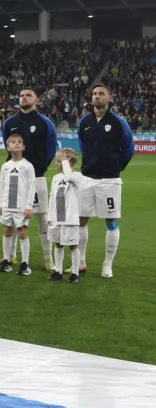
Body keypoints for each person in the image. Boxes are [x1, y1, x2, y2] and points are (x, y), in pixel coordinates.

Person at [77, 84, 134, 279]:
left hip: (109, 180)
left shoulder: (119, 123)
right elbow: (83, 146)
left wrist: (116, 167)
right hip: (86, 179)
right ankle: (81, 261)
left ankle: (107, 264)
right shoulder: (84, 122)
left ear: (109, 98)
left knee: (110, 220)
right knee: (81, 220)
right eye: (94, 94)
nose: (97, 97)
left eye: (101, 94)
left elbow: (128, 149)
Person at [2, 88, 58, 271]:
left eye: (28, 95)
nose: (24, 98)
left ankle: (48, 258)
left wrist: (40, 167)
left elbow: (50, 148)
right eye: (21, 95)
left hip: (38, 178)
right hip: (14, 181)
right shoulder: (10, 122)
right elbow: (7, 144)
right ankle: (10, 256)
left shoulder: (44, 123)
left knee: (43, 219)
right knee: (13, 220)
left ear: (36, 100)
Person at [0, 133, 37, 276]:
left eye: (19, 141)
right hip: (7, 205)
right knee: (7, 230)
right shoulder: (5, 166)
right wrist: (0, 205)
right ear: (8, 147)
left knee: (22, 232)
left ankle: (24, 263)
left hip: (21, 206)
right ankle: (6, 260)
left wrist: (29, 207)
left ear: (24, 147)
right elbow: (2, 185)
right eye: (13, 142)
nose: (16, 144)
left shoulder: (28, 166)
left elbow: (32, 187)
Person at [48, 148, 87, 284]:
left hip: (70, 219)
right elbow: (52, 198)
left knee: (73, 245)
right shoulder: (55, 178)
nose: (56, 164)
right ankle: (58, 271)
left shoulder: (77, 177)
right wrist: (50, 217)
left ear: (68, 162)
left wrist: (65, 160)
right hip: (57, 217)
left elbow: (69, 177)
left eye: (59, 161)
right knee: (58, 244)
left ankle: (75, 273)